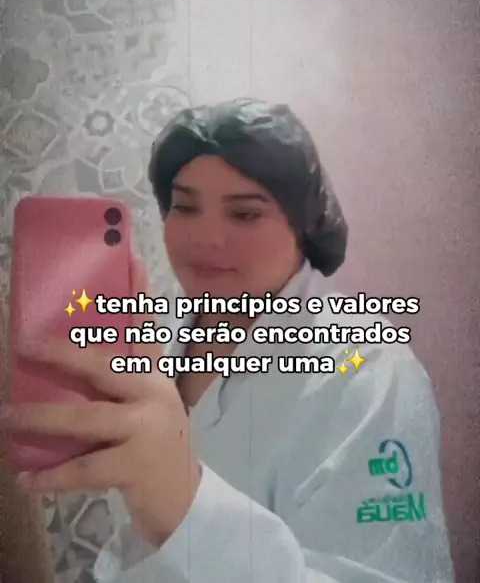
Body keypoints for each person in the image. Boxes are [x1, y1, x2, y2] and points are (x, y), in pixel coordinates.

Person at [2, 98, 454, 583]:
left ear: (303, 223)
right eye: (185, 206)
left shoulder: (372, 375)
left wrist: (185, 505)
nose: (206, 239)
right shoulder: (155, 336)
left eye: (244, 214)